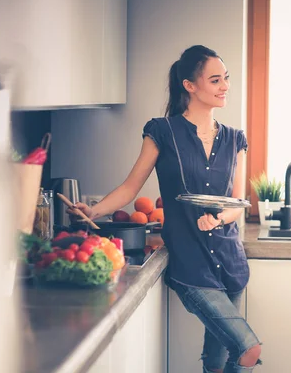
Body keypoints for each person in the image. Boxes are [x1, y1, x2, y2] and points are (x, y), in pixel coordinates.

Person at [70, 45, 261, 373]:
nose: (225, 86)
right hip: (191, 267)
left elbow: (237, 203)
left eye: (226, 79)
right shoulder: (163, 131)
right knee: (248, 349)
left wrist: (217, 219)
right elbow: (131, 187)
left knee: (217, 360)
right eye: (215, 80)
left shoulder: (235, 139)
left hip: (230, 263)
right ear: (190, 85)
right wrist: (93, 211)